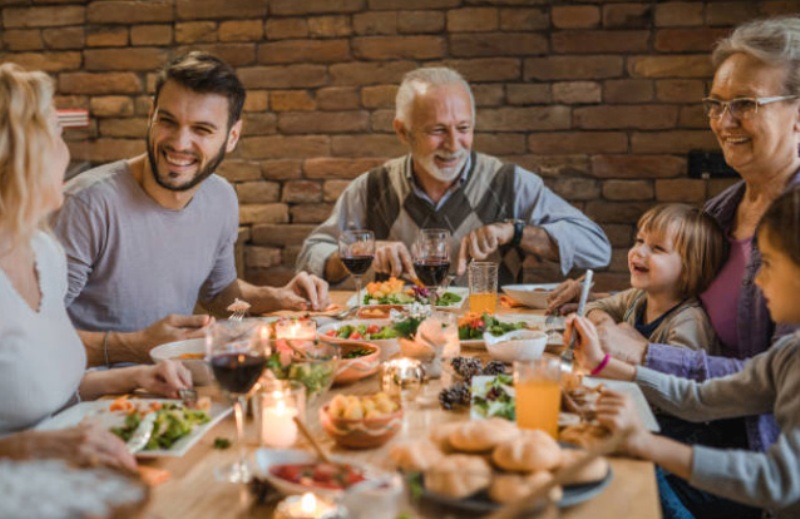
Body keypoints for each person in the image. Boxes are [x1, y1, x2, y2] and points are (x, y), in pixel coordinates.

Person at [53, 52, 330, 367]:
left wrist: (276, 297)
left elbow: (222, 300)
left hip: (174, 389)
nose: (180, 143)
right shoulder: (86, 205)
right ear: (151, 116)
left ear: (232, 137)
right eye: (168, 121)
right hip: (89, 401)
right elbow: (28, 333)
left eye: (202, 129)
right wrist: (132, 346)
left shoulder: (221, 198)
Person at [568, 186, 800, 519]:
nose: (758, 282)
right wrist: (604, 363)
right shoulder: (788, 354)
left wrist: (646, 445)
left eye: (772, 264)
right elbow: (700, 396)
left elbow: (778, 480)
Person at [0, 63, 190, 470]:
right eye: (57, 134)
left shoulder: (42, 252)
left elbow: (43, 390)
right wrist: (29, 450)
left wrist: (136, 378)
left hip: (70, 478)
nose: (67, 154)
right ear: (22, 155)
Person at [296, 67, 611, 287]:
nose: (453, 145)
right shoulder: (371, 188)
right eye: (437, 131)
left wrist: (513, 232)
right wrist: (358, 251)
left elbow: (597, 248)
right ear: (402, 132)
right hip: (398, 346)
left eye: (463, 129)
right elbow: (310, 257)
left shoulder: (508, 183)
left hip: (488, 341)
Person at [584, 204, 726, 352]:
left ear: (689, 267)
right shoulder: (638, 297)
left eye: (658, 248)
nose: (639, 251)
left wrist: (637, 344)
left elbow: (684, 369)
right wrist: (606, 323)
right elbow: (592, 307)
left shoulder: (690, 321)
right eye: (639, 241)